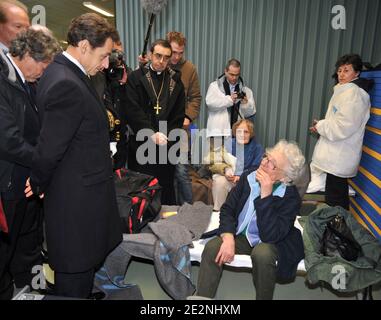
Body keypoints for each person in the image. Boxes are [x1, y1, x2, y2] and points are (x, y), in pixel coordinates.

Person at [25, 13, 122, 299]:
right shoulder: (66, 82)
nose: (106, 65)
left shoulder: (66, 73)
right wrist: (39, 181)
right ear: (83, 46)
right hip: (75, 208)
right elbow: (49, 146)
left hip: (80, 198)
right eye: (103, 56)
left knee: (81, 276)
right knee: (73, 283)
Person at [197, 140, 306, 300]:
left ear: (285, 177)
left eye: (273, 164)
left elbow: (271, 235)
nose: (264, 163)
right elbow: (228, 209)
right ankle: (202, 301)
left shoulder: (290, 198)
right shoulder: (248, 176)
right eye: (266, 157)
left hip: (270, 240)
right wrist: (228, 237)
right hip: (242, 235)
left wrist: (266, 194)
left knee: (263, 255)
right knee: (213, 248)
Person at [0, 28, 60, 300]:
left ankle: (34, 289)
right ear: (26, 55)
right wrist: (44, 161)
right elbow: (8, 140)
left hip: (29, 178)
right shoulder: (4, 81)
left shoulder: (27, 81)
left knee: (30, 241)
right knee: (6, 248)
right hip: (10, 181)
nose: (45, 72)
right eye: (43, 65)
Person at [309, 54, 373, 210]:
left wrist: (322, 126)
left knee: (337, 199)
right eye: (339, 71)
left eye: (346, 70)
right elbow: (338, 121)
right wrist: (321, 125)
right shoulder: (344, 91)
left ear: (356, 73)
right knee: (334, 196)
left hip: (340, 156)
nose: (342, 75)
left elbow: (343, 126)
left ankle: (339, 230)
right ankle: (335, 228)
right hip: (335, 156)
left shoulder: (354, 94)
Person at [125, 39, 185, 205]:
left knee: (165, 185)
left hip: (166, 145)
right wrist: (150, 133)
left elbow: (179, 114)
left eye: (166, 57)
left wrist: (167, 136)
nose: (161, 61)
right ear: (150, 55)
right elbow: (132, 110)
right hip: (142, 143)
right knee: (142, 186)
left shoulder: (175, 81)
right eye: (158, 56)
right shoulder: (135, 78)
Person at [166, 31, 202, 205]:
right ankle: (170, 211)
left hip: (181, 131)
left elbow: (195, 97)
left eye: (181, 53)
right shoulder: (160, 65)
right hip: (160, 131)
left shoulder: (189, 69)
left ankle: (189, 209)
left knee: (181, 171)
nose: (176, 57)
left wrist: (188, 116)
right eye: (174, 52)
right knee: (166, 173)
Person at [91, 32, 132, 171]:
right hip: (103, 137)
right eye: (111, 53)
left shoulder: (124, 71)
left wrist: (123, 82)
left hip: (120, 131)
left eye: (118, 53)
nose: (112, 60)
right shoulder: (96, 73)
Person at [207, 119, 264, 211]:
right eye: (239, 131)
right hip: (229, 178)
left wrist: (241, 176)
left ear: (251, 134)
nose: (242, 135)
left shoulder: (257, 148)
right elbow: (214, 162)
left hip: (247, 180)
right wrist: (225, 169)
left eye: (246, 132)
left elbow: (257, 167)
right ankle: (218, 211)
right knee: (219, 182)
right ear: (234, 133)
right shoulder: (228, 144)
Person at [206, 59, 256, 143]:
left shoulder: (246, 91)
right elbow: (210, 104)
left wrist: (246, 104)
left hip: (238, 135)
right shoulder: (214, 87)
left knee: (238, 156)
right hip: (218, 134)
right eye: (232, 74)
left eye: (237, 75)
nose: (234, 77)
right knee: (215, 156)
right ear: (225, 71)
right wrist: (229, 99)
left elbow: (251, 113)